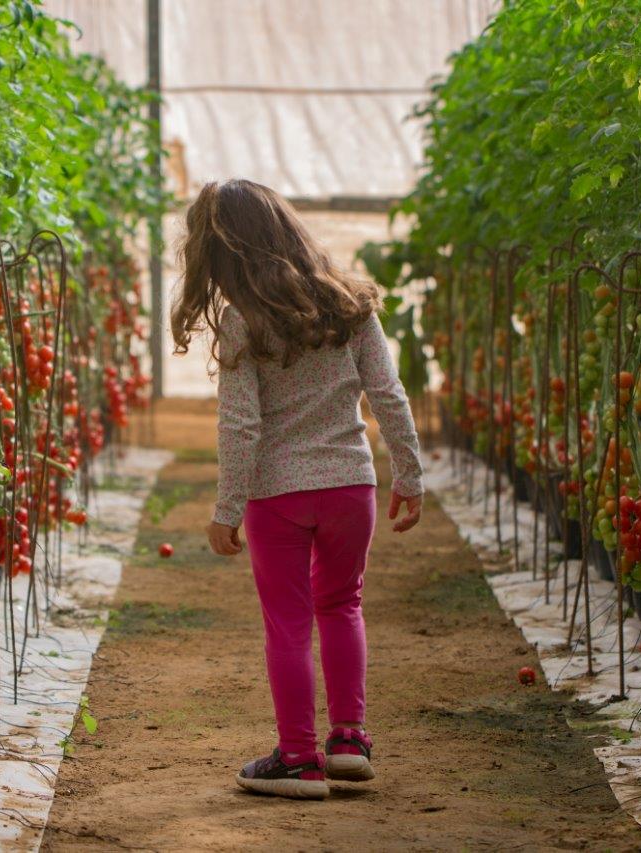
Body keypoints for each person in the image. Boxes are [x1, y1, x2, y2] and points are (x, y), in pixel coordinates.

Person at [170, 179, 424, 800]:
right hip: (349, 487)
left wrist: (225, 510)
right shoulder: (350, 303)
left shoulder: (242, 323)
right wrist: (410, 475)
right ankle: (348, 742)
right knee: (341, 605)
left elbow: (241, 424)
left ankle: (297, 759)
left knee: (287, 623)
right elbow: (388, 394)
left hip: (276, 495)